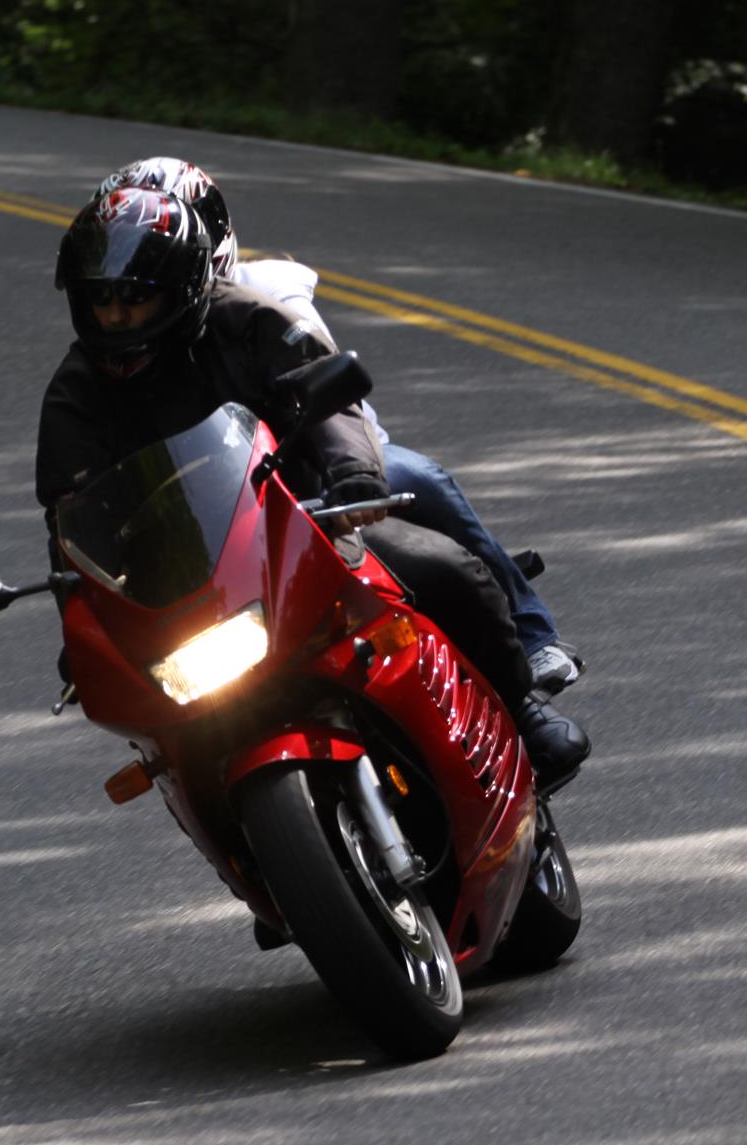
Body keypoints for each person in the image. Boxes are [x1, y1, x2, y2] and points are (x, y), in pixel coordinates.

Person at [37, 186, 590, 790]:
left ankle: (522, 710)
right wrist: (83, 622)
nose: (116, 315)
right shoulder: (76, 390)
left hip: (307, 520)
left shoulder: (248, 320)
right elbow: (71, 515)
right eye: (101, 299)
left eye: (135, 296)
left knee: (445, 568)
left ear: (179, 285)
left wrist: (354, 475)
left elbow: (328, 398)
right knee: (163, 731)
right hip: (182, 574)